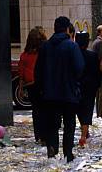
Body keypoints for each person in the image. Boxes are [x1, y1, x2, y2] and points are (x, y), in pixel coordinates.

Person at [34, 16, 84, 161]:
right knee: (69, 124)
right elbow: (79, 68)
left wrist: (42, 88)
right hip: (69, 92)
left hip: (50, 94)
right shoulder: (72, 46)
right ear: (67, 29)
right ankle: (68, 152)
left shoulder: (45, 47)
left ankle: (52, 148)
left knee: (52, 124)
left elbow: (38, 71)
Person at [18, 27, 47, 143]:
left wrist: (21, 87)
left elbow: (21, 73)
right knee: (45, 110)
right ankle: (44, 135)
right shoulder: (44, 53)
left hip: (31, 86)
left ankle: (38, 135)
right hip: (43, 84)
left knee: (36, 111)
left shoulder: (25, 55)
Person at [75, 31, 101, 147]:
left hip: (77, 86)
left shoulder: (74, 55)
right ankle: (84, 135)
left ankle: (85, 133)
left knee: (80, 111)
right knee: (87, 110)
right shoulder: (92, 55)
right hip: (90, 87)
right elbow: (97, 72)